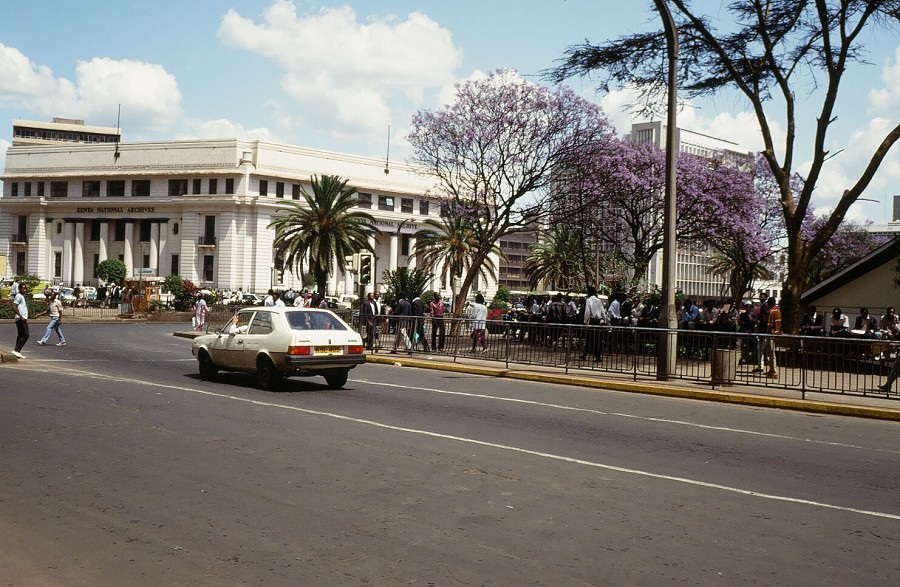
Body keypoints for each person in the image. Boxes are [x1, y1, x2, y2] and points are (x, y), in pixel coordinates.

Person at [581, 285, 607, 362]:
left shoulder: (588, 300)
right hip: (597, 321)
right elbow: (602, 311)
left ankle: (595, 356)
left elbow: (587, 312)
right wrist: (605, 320)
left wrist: (585, 321)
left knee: (590, 338)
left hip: (591, 320)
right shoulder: (599, 300)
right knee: (596, 339)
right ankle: (587, 354)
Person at [762, 297, 782, 379]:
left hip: (771, 334)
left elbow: (769, 325)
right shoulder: (778, 311)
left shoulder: (771, 312)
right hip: (776, 334)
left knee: (771, 353)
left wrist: (766, 333)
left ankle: (774, 372)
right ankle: (771, 371)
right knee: (767, 352)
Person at [11, 283, 29, 358]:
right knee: (25, 335)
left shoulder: (21, 296)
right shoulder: (19, 296)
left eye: (25, 289)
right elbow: (14, 307)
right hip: (21, 319)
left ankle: (16, 351)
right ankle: (17, 350)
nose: (24, 290)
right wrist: (21, 316)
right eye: (23, 288)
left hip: (21, 318)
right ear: (19, 289)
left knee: (21, 335)